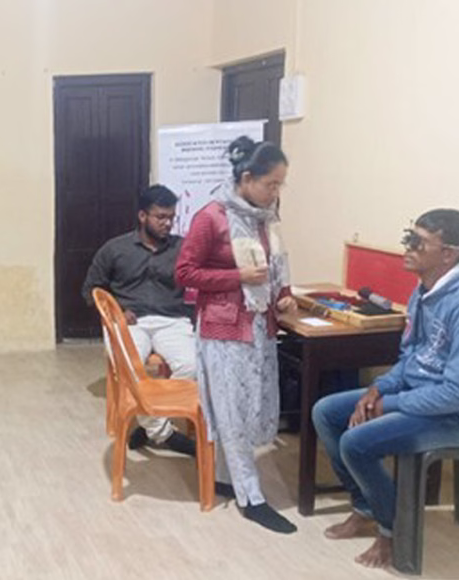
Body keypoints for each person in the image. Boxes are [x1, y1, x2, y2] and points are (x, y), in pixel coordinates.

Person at [313, 208, 459, 568]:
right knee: (327, 412)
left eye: (417, 243)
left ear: (448, 254)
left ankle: (393, 532)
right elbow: (410, 356)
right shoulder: (424, 291)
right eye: (409, 237)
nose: (406, 247)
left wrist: (392, 404)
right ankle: (367, 505)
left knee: (356, 442)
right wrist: (379, 388)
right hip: (427, 397)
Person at [176, 135, 297, 534]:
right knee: (231, 409)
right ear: (247, 178)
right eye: (270, 184)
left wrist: (284, 297)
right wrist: (237, 276)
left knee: (251, 408)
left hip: (260, 325)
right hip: (223, 328)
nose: (275, 192)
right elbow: (184, 274)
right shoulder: (212, 216)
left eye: (280, 184)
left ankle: (228, 477)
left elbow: (277, 268)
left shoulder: (267, 218)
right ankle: (252, 497)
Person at [81, 184, 201, 456]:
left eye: (171, 217)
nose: (167, 223)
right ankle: (165, 433)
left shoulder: (183, 248)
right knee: (129, 368)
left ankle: (150, 427)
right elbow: (91, 290)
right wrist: (118, 311)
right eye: (160, 217)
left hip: (172, 320)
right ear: (142, 216)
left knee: (192, 365)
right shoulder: (115, 249)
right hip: (130, 322)